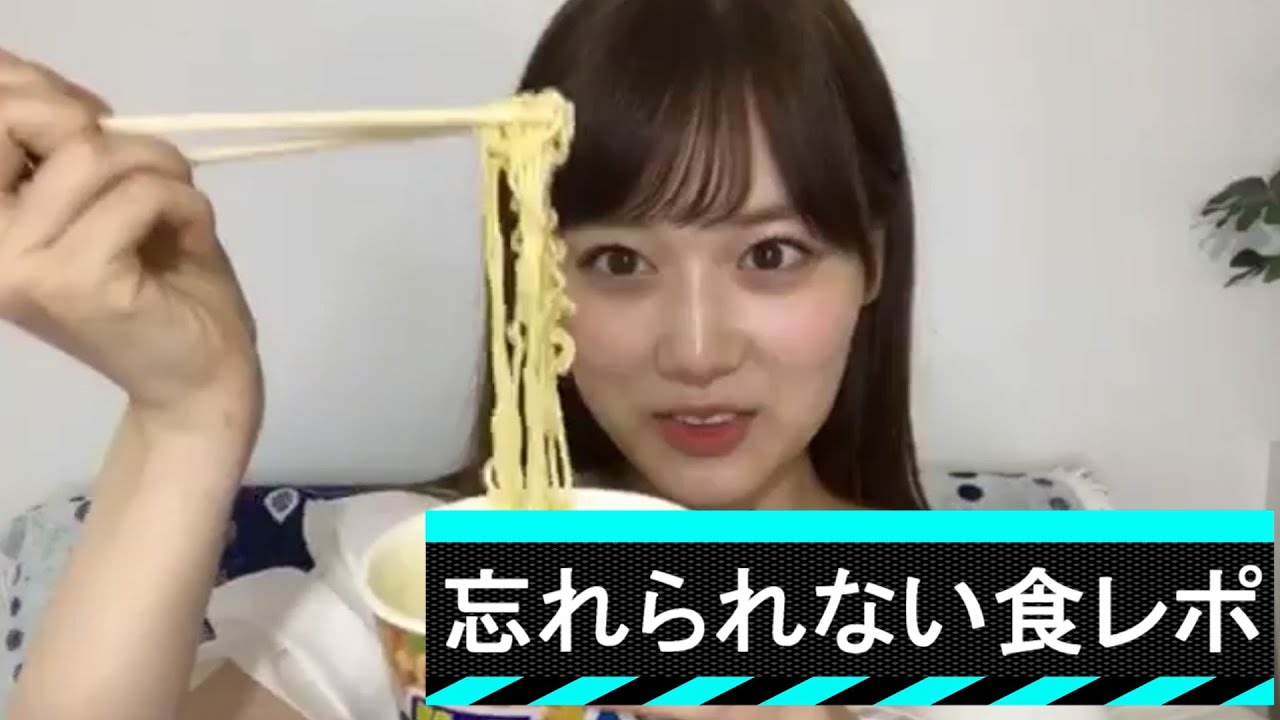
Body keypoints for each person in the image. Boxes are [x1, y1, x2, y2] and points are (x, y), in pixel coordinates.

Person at [0, 1, 1107, 719]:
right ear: (537, 276)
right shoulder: (432, 586)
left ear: (871, 263)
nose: (695, 348)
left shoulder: (1027, 606)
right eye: (618, 260)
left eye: (770, 254)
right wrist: (188, 413)